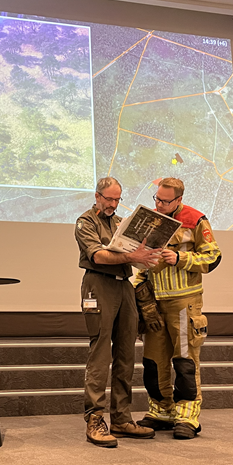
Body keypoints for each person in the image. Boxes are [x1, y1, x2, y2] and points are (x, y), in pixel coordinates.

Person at [75, 177, 163, 447]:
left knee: (126, 354)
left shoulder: (121, 224)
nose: (113, 204)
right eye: (109, 199)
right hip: (98, 284)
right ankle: (95, 419)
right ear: (97, 195)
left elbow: (135, 256)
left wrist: (147, 254)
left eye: (117, 199)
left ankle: (122, 419)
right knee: (101, 352)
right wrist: (132, 257)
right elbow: (99, 257)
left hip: (124, 286)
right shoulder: (85, 222)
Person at [133, 177, 221, 440]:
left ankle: (187, 416)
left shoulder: (196, 220)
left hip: (185, 302)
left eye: (164, 200)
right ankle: (161, 411)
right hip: (154, 302)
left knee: (184, 362)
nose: (159, 204)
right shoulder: (149, 219)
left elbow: (213, 256)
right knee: (152, 361)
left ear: (179, 200)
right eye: (156, 199)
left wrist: (181, 258)